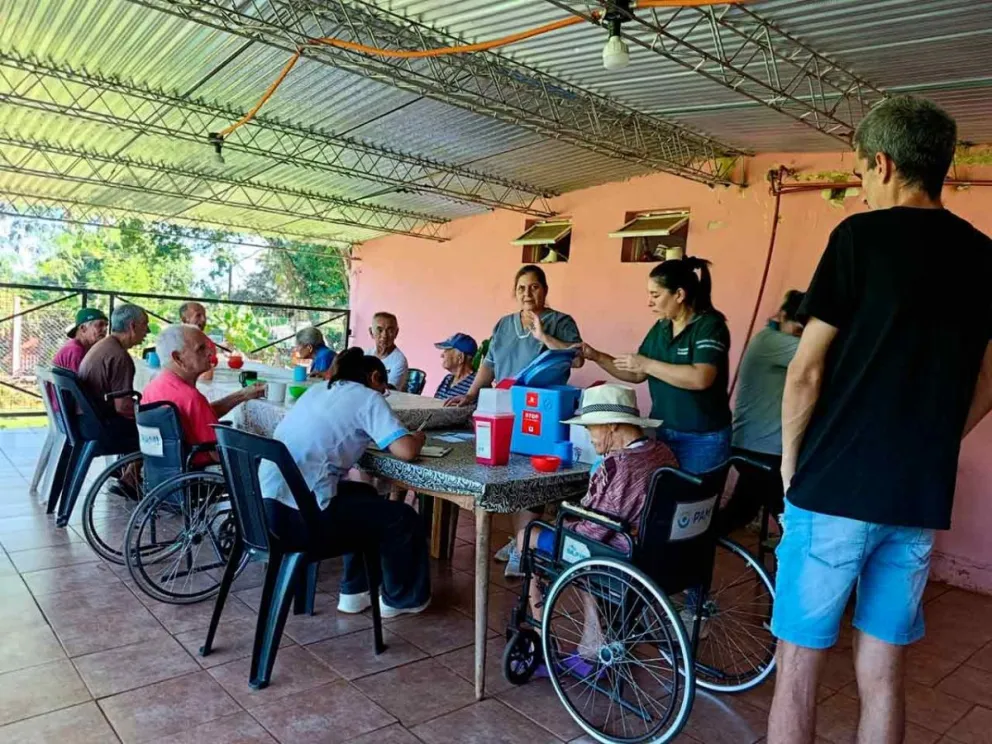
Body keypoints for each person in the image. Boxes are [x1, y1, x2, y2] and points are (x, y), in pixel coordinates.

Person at [767, 96, 992, 744]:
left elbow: (806, 370)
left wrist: (790, 469)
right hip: (917, 496)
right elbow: (989, 378)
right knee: (884, 671)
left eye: (861, 171)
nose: (862, 185)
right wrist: (938, 439)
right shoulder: (983, 257)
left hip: (834, 488)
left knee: (799, 668)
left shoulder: (859, 238)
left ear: (885, 164)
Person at [259, 348, 431, 617]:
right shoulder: (367, 398)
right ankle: (401, 599)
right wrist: (418, 438)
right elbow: (406, 450)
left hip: (267, 509)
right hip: (301, 519)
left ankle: (355, 591)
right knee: (403, 517)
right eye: (383, 389)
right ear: (375, 378)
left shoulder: (319, 390)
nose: (383, 395)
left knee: (365, 494)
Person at [516, 384, 677, 670]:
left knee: (526, 536)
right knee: (577, 543)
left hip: (617, 553)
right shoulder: (662, 452)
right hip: (658, 551)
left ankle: (541, 633)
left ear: (613, 425)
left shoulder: (616, 465)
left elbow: (592, 532)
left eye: (591, 428)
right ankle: (593, 634)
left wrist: (563, 521)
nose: (588, 437)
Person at [445, 265, 583, 576]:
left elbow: (577, 357)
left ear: (544, 290)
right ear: (515, 291)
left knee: (531, 475)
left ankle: (524, 549)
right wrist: (469, 395)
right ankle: (520, 538)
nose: (528, 293)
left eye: (534, 287)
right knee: (507, 472)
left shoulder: (561, 322)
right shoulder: (504, 325)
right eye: (522, 288)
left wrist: (544, 335)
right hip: (505, 405)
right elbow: (490, 365)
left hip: (542, 408)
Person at [583, 258, 732, 474]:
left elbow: (701, 377)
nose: (649, 302)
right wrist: (596, 356)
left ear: (679, 295)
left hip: (702, 438)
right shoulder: (662, 327)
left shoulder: (709, 326)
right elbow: (636, 374)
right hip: (664, 432)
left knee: (691, 503)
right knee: (664, 497)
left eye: (655, 295)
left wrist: (647, 363)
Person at [718, 290, 806, 535]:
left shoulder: (776, 340)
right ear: (781, 316)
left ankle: (698, 547)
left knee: (741, 512)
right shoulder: (769, 341)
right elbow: (820, 353)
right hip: (760, 448)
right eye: (798, 331)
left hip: (762, 446)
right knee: (790, 520)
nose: (802, 338)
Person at [140, 325, 265, 463]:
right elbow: (217, 453)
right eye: (201, 349)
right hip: (198, 468)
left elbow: (196, 416)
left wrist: (243, 395)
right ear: (178, 358)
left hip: (165, 467)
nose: (210, 353)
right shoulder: (190, 397)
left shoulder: (153, 387)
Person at [77, 303, 149, 426]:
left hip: (86, 418)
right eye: (145, 324)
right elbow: (123, 407)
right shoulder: (120, 356)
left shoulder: (104, 345)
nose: (147, 331)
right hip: (102, 423)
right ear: (132, 326)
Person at [53, 308, 108, 372]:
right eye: (100, 325)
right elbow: (81, 381)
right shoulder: (76, 350)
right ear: (83, 328)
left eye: (106, 325)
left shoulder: (81, 347)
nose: (105, 329)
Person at [366, 312, 409, 391]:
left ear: (396, 333)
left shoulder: (399, 361)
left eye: (390, 330)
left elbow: (389, 391)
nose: (384, 335)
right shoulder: (366, 355)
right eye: (380, 330)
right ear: (371, 332)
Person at [433, 333, 478, 401]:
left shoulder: (476, 383)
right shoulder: (448, 378)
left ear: (460, 357)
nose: (442, 355)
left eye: (446, 351)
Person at [179, 301, 218, 379]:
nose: (203, 320)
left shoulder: (208, 343)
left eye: (204, 315)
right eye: (198, 315)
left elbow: (208, 373)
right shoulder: (174, 341)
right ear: (185, 319)